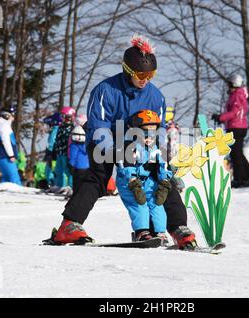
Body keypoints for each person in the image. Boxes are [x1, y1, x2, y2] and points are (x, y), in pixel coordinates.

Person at [52, 34, 197, 249]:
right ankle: (69, 225)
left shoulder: (156, 97)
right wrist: (115, 151)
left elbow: (158, 130)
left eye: (150, 74)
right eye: (140, 74)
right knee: (97, 178)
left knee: (160, 180)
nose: (145, 79)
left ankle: (177, 228)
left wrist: (161, 160)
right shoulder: (106, 90)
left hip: (138, 142)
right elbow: (99, 125)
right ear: (127, 69)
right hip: (104, 140)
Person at [116, 110, 172, 242]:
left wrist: (164, 181)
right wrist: (133, 182)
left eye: (153, 133)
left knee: (157, 202)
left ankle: (160, 232)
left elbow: (163, 164)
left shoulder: (156, 146)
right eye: (145, 133)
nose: (149, 137)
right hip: (129, 181)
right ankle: (141, 231)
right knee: (139, 203)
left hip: (147, 180)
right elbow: (125, 165)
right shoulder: (129, 146)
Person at [212, 74, 249, 188]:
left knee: (235, 153)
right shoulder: (236, 94)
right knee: (237, 153)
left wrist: (221, 117)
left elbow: (235, 112)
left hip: (237, 127)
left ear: (233, 84)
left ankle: (241, 179)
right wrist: (222, 118)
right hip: (236, 126)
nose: (228, 86)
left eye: (229, 84)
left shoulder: (237, 95)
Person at [0, 105, 21, 185]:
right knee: (14, 177)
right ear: (7, 115)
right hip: (4, 155)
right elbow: (6, 141)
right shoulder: (4, 125)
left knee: (6, 178)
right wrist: (11, 155)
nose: (14, 117)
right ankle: (19, 195)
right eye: (12, 114)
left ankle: (5, 194)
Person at [53, 107, 76, 188]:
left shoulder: (72, 128)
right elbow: (57, 139)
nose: (62, 118)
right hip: (60, 152)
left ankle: (70, 186)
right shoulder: (61, 127)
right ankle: (58, 185)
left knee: (68, 170)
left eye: (63, 116)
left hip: (66, 153)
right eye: (61, 116)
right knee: (58, 170)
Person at [67, 124, 89, 199]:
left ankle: (76, 195)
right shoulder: (86, 145)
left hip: (77, 168)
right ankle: (83, 195)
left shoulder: (74, 146)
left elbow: (73, 157)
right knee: (84, 182)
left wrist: (70, 165)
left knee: (77, 182)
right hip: (86, 168)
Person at [43, 112, 62, 187]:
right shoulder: (55, 130)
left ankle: (53, 183)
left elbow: (51, 143)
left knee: (51, 170)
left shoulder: (55, 130)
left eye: (49, 124)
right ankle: (53, 183)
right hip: (53, 154)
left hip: (52, 154)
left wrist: (49, 154)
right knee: (51, 170)